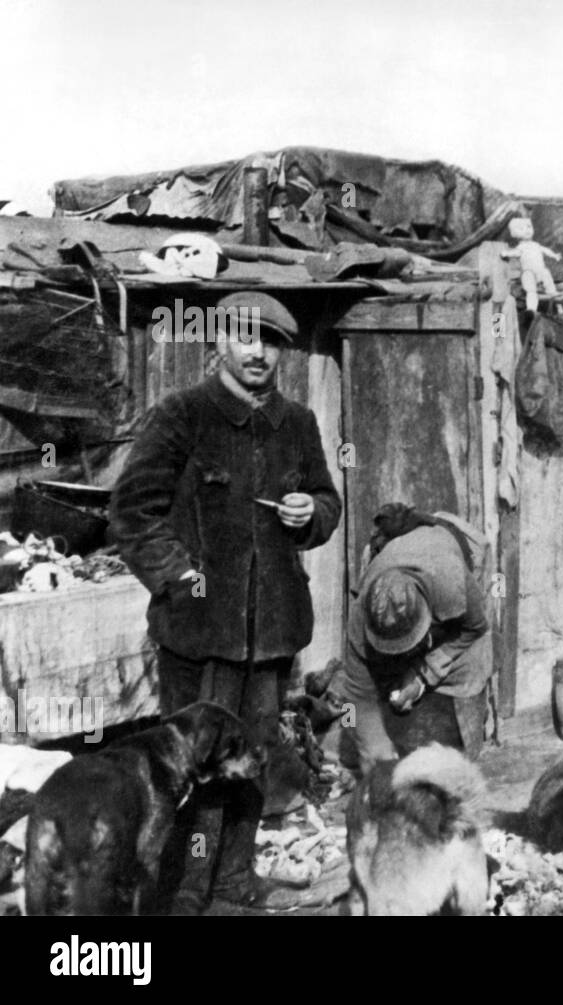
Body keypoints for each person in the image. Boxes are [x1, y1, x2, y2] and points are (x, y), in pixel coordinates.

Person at [109, 292, 342, 913]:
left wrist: (311, 512)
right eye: (245, 337)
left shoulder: (297, 424)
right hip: (197, 637)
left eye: (270, 342)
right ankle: (184, 895)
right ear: (219, 344)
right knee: (192, 772)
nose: (258, 351)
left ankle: (235, 889)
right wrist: (181, 577)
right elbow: (132, 512)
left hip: (271, 636)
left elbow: (327, 501)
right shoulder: (181, 415)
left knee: (254, 763)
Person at [338, 505, 493, 776]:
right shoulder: (359, 617)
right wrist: (374, 750)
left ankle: (474, 737)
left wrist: (423, 675)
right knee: (385, 724)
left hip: (458, 554)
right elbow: (354, 698)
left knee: (470, 672)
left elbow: (475, 627)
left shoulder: (450, 581)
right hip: (398, 556)